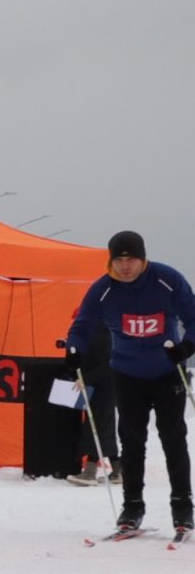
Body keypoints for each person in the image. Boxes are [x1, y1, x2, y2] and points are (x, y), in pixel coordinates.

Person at [62, 231, 195, 539]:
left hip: (167, 372)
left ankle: (183, 507)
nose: (125, 266)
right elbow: (82, 325)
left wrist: (186, 348)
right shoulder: (103, 290)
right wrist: (73, 351)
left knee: (173, 440)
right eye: (119, 260)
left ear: (142, 258)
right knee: (132, 444)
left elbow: (192, 317)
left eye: (131, 259)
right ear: (111, 260)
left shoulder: (166, 279)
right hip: (127, 375)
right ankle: (132, 507)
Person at [58, 322, 118, 486]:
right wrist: (71, 351)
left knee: (95, 427)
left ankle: (90, 472)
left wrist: (86, 378)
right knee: (103, 427)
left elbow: (107, 363)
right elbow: (77, 363)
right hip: (96, 386)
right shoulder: (90, 334)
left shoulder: (101, 333)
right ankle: (119, 471)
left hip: (103, 386)